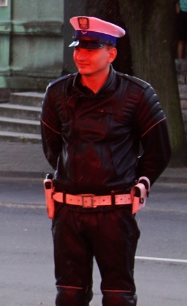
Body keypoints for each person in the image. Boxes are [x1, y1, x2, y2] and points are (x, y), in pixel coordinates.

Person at [40, 16, 171, 306]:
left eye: (90, 49)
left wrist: (126, 179)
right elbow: (52, 149)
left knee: (118, 297)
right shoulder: (57, 93)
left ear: (111, 53)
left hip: (114, 213)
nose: (80, 55)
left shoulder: (137, 94)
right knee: (69, 294)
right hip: (68, 213)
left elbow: (159, 152)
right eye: (78, 48)